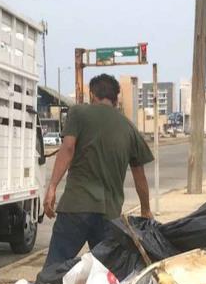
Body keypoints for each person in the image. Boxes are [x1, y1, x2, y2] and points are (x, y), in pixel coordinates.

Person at [41, 73, 154, 273]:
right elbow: (140, 177)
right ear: (116, 98)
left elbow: (67, 149)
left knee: (54, 270)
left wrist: (52, 188)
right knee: (107, 276)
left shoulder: (78, 113)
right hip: (109, 215)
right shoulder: (129, 128)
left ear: (92, 94)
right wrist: (145, 209)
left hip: (76, 208)